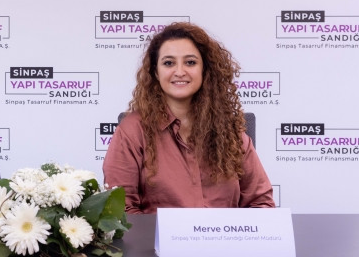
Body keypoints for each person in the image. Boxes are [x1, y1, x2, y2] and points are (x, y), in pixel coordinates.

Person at [103, 22, 274, 214]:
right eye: (169, 63)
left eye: (190, 62)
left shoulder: (230, 132)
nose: (179, 72)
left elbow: (261, 203)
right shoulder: (133, 131)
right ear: (156, 72)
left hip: (224, 235)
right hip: (155, 235)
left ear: (205, 70)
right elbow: (120, 210)